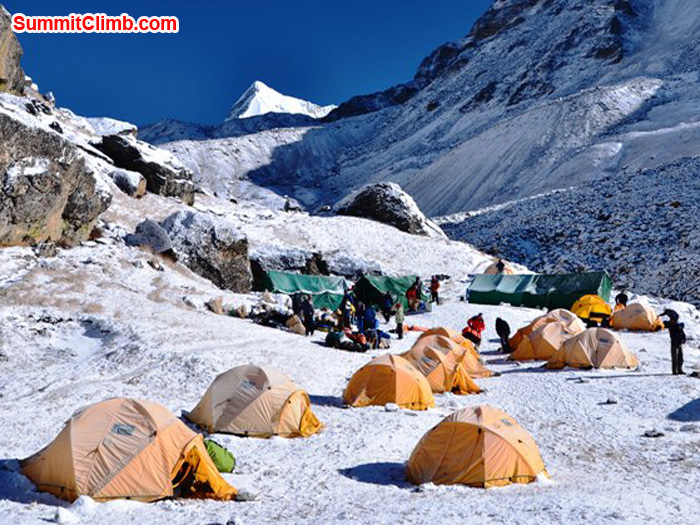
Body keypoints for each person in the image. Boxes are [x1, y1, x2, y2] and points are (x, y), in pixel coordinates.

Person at [660, 309, 686, 375]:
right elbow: (664, 323)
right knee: (675, 357)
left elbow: (681, 326)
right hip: (674, 343)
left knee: (680, 357)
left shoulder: (677, 325)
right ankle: (675, 371)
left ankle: (679, 370)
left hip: (678, 342)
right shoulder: (673, 325)